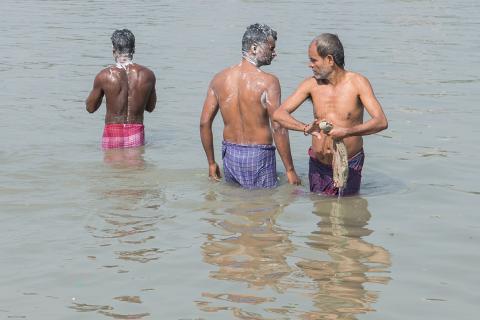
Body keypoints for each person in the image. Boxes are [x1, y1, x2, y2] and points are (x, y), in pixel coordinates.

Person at [272, 33, 388, 195]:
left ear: (330, 60)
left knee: (347, 216)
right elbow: (279, 114)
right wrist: (305, 128)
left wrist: (346, 131)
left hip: (348, 162)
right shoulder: (310, 85)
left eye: (314, 60)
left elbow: (381, 121)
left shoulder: (357, 83)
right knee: (320, 214)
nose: (310, 65)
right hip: (318, 164)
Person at [200, 23, 300, 189]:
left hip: (229, 154)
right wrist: (290, 169)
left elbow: (204, 123)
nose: (274, 53)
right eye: (271, 48)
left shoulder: (219, 79)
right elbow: (278, 126)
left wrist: (211, 163)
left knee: (235, 207)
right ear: (254, 48)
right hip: (258, 155)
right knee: (263, 208)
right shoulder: (269, 82)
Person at [86, 29, 156, 149]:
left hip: (112, 132)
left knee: (112, 167)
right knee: (135, 167)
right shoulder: (148, 75)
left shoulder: (104, 75)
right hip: (136, 131)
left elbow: (90, 108)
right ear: (133, 50)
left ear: (114, 51)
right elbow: (150, 108)